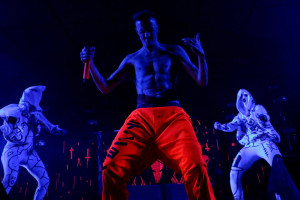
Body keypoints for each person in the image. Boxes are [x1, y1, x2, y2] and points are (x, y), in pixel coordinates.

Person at [80, 10, 215, 200]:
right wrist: (90, 63)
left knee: (197, 166)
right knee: (110, 168)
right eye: (142, 32)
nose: (147, 35)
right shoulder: (132, 59)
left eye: (150, 30)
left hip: (172, 117)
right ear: (137, 32)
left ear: (157, 28)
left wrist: (201, 56)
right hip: (142, 118)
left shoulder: (174, 51)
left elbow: (201, 80)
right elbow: (105, 87)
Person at [214, 89, 300, 200]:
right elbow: (232, 125)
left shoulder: (258, 108)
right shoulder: (240, 116)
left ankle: (284, 196)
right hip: (249, 146)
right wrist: (221, 126)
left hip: (264, 142)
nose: (244, 99)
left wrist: (262, 119)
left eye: (246, 96)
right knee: (234, 173)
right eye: (241, 98)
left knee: (278, 165)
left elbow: (265, 118)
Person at [0, 85, 66, 200]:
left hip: (29, 151)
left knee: (44, 181)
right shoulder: (12, 109)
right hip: (13, 150)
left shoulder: (36, 114)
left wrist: (57, 130)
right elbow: (3, 113)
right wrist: (17, 112)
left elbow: (49, 126)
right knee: (10, 178)